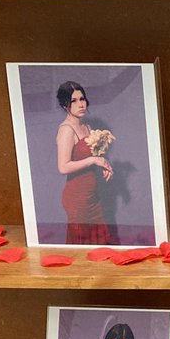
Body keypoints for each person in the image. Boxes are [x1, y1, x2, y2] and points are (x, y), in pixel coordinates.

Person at [56, 81, 112, 245]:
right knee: (82, 246)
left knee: (99, 243)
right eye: (73, 101)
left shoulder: (87, 127)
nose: (80, 104)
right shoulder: (66, 129)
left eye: (82, 99)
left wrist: (103, 164)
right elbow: (63, 167)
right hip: (77, 198)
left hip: (92, 194)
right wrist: (93, 160)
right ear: (65, 105)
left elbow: (91, 155)